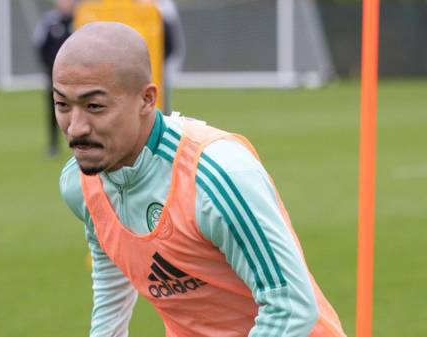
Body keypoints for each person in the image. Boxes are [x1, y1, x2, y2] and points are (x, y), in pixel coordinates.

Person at [55, 22, 346, 337]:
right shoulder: (80, 184)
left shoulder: (216, 176)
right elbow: (110, 275)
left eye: (94, 106)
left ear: (147, 99)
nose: (76, 128)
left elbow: (291, 308)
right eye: (62, 105)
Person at [32, 0, 74, 157]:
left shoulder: (81, 19)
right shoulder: (48, 22)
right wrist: (49, 68)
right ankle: (53, 145)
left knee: (80, 110)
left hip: (79, 77)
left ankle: (80, 144)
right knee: (54, 110)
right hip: (55, 77)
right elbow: (40, 46)